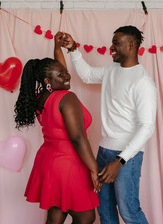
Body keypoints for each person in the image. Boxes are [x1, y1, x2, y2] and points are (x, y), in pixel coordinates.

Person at [62, 26, 157, 224]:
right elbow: (87, 75)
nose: (111, 47)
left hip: (126, 157)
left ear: (131, 45)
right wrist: (73, 49)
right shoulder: (111, 69)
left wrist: (120, 161)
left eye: (116, 43)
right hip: (104, 151)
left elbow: (147, 127)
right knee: (105, 211)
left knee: (129, 212)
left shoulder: (143, 82)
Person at [14, 32, 101, 224]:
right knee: (86, 217)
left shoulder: (41, 97)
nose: (67, 75)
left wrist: (57, 47)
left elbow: (57, 70)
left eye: (65, 71)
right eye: (61, 74)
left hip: (48, 161)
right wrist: (94, 168)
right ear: (48, 80)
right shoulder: (67, 98)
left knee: (57, 211)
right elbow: (78, 138)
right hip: (69, 165)